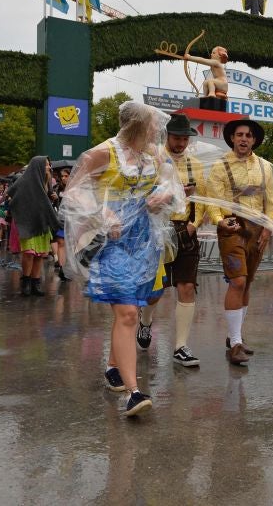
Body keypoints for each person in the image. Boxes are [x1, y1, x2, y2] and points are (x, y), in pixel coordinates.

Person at [62, 100, 183, 417]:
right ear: (137, 125)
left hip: (144, 240)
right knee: (128, 311)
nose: (158, 130)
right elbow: (73, 192)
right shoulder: (102, 153)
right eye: (153, 125)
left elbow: (173, 185)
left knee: (132, 308)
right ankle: (133, 392)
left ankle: (113, 367)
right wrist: (102, 213)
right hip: (110, 241)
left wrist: (165, 195)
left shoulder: (154, 155)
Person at [205, 119, 273, 366]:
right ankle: (235, 344)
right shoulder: (220, 166)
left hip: (257, 229)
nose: (244, 139)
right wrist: (219, 221)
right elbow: (213, 201)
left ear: (254, 140)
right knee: (237, 281)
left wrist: (268, 228)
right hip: (232, 227)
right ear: (232, 138)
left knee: (247, 283)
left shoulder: (265, 166)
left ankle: (235, 336)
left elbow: (271, 201)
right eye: (239, 135)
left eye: (248, 135)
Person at [135, 114, 207, 366]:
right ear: (167, 136)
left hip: (186, 231)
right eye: (177, 138)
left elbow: (203, 199)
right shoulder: (152, 160)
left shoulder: (195, 165)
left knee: (187, 286)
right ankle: (145, 322)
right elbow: (143, 195)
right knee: (156, 290)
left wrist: (194, 224)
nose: (181, 143)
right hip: (158, 230)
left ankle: (180, 346)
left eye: (185, 139)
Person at [6, 157, 61, 296]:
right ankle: (25, 282)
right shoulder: (24, 181)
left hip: (42, 222)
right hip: (28, 223)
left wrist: (52, 196)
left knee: (40, 255)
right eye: (46, 165)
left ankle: (35, 283)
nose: (49, 167)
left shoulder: (46, 181)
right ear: (38, 166)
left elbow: (45, 199)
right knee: (29, 253)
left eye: (49, 165)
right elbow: (11, 197)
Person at [50, 167, 72, 281]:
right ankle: (62, 269)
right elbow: (53, 203)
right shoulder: (57, 188)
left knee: (71, 245)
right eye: (62, 176)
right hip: (60, 220)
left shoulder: (76, 188)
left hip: (73, 220)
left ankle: (69, 268)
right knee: (61, 242)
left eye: (66, 176)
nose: (63, 178)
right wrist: (55, 199)